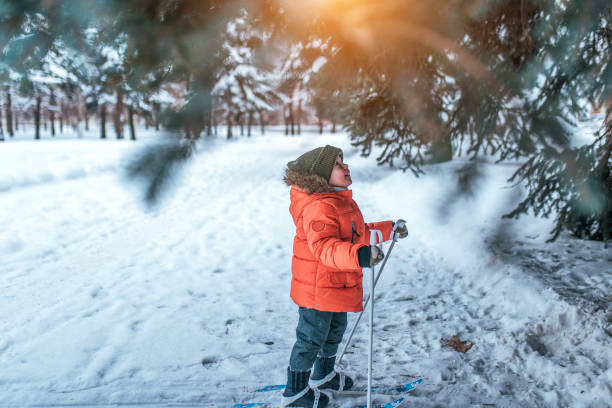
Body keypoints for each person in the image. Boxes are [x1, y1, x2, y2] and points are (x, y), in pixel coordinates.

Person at [281, 145, 408, 408]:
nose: (345, 166)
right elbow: (324, 248)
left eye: (343, 161)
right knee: (310, 338)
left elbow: (358, 232)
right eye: (338, 164)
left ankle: (324, 375)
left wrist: (389, 230)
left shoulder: (338, 202)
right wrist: (359, 256)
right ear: (321, 176)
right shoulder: (319, 207)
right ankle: (294, 393)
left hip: (335, 285)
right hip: (317, 287)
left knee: (334, 331)